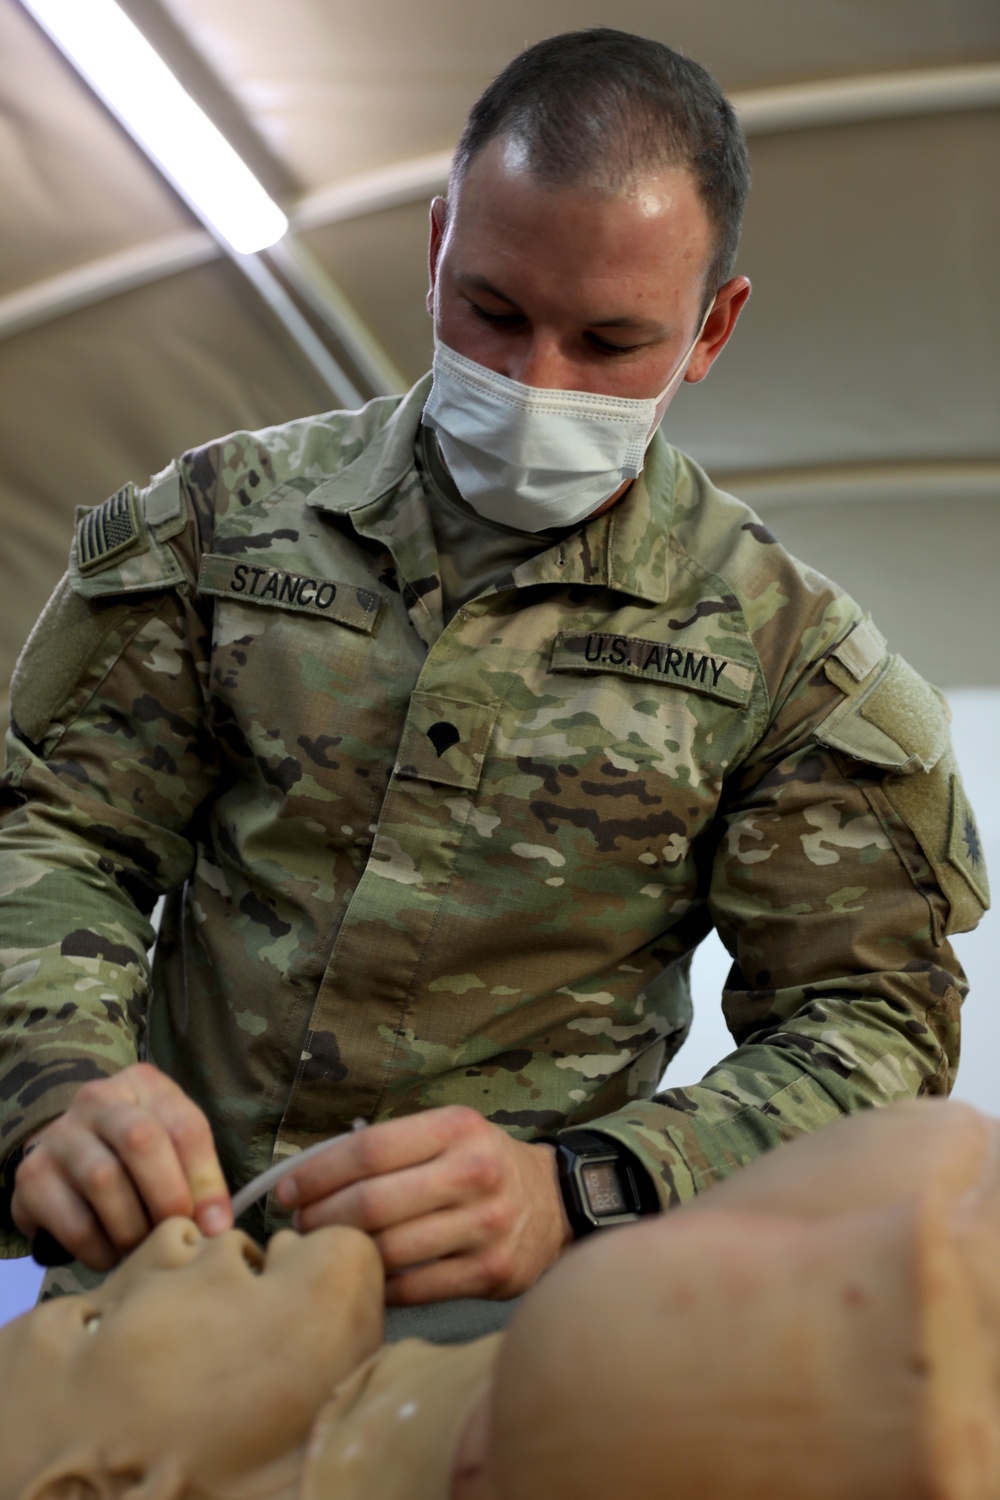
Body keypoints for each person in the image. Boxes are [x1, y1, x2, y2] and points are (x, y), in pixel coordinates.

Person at [0, 29, 988, 1326]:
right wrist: (61, 1079)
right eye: (496, 313)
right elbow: (58, 827)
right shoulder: (218, 529)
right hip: (150, 1282)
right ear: (436, 250)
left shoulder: (784, 659)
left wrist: (589, 1187)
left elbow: (873, 1020)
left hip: (498, 1337)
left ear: (713, 327)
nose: (538, 383)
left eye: (612, 340)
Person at [3, 1098, 1000, 1500]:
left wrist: (588, 1181)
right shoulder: (581, 1391)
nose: (164, 1242)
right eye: (91, 1321)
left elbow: (877, 1002)